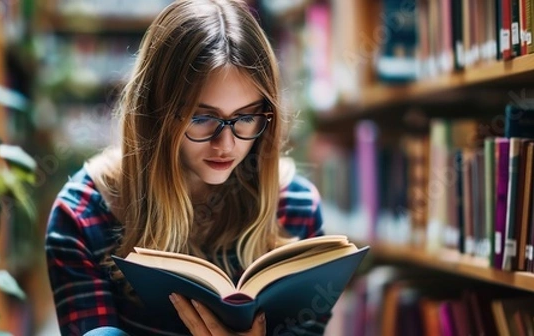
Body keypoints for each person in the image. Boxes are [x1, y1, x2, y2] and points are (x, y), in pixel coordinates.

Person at [45, 0, 325, 335]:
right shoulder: (82, 214)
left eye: (247, 116)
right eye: (202, 117)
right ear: (154, 112)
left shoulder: (296, 207)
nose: (226, 145)